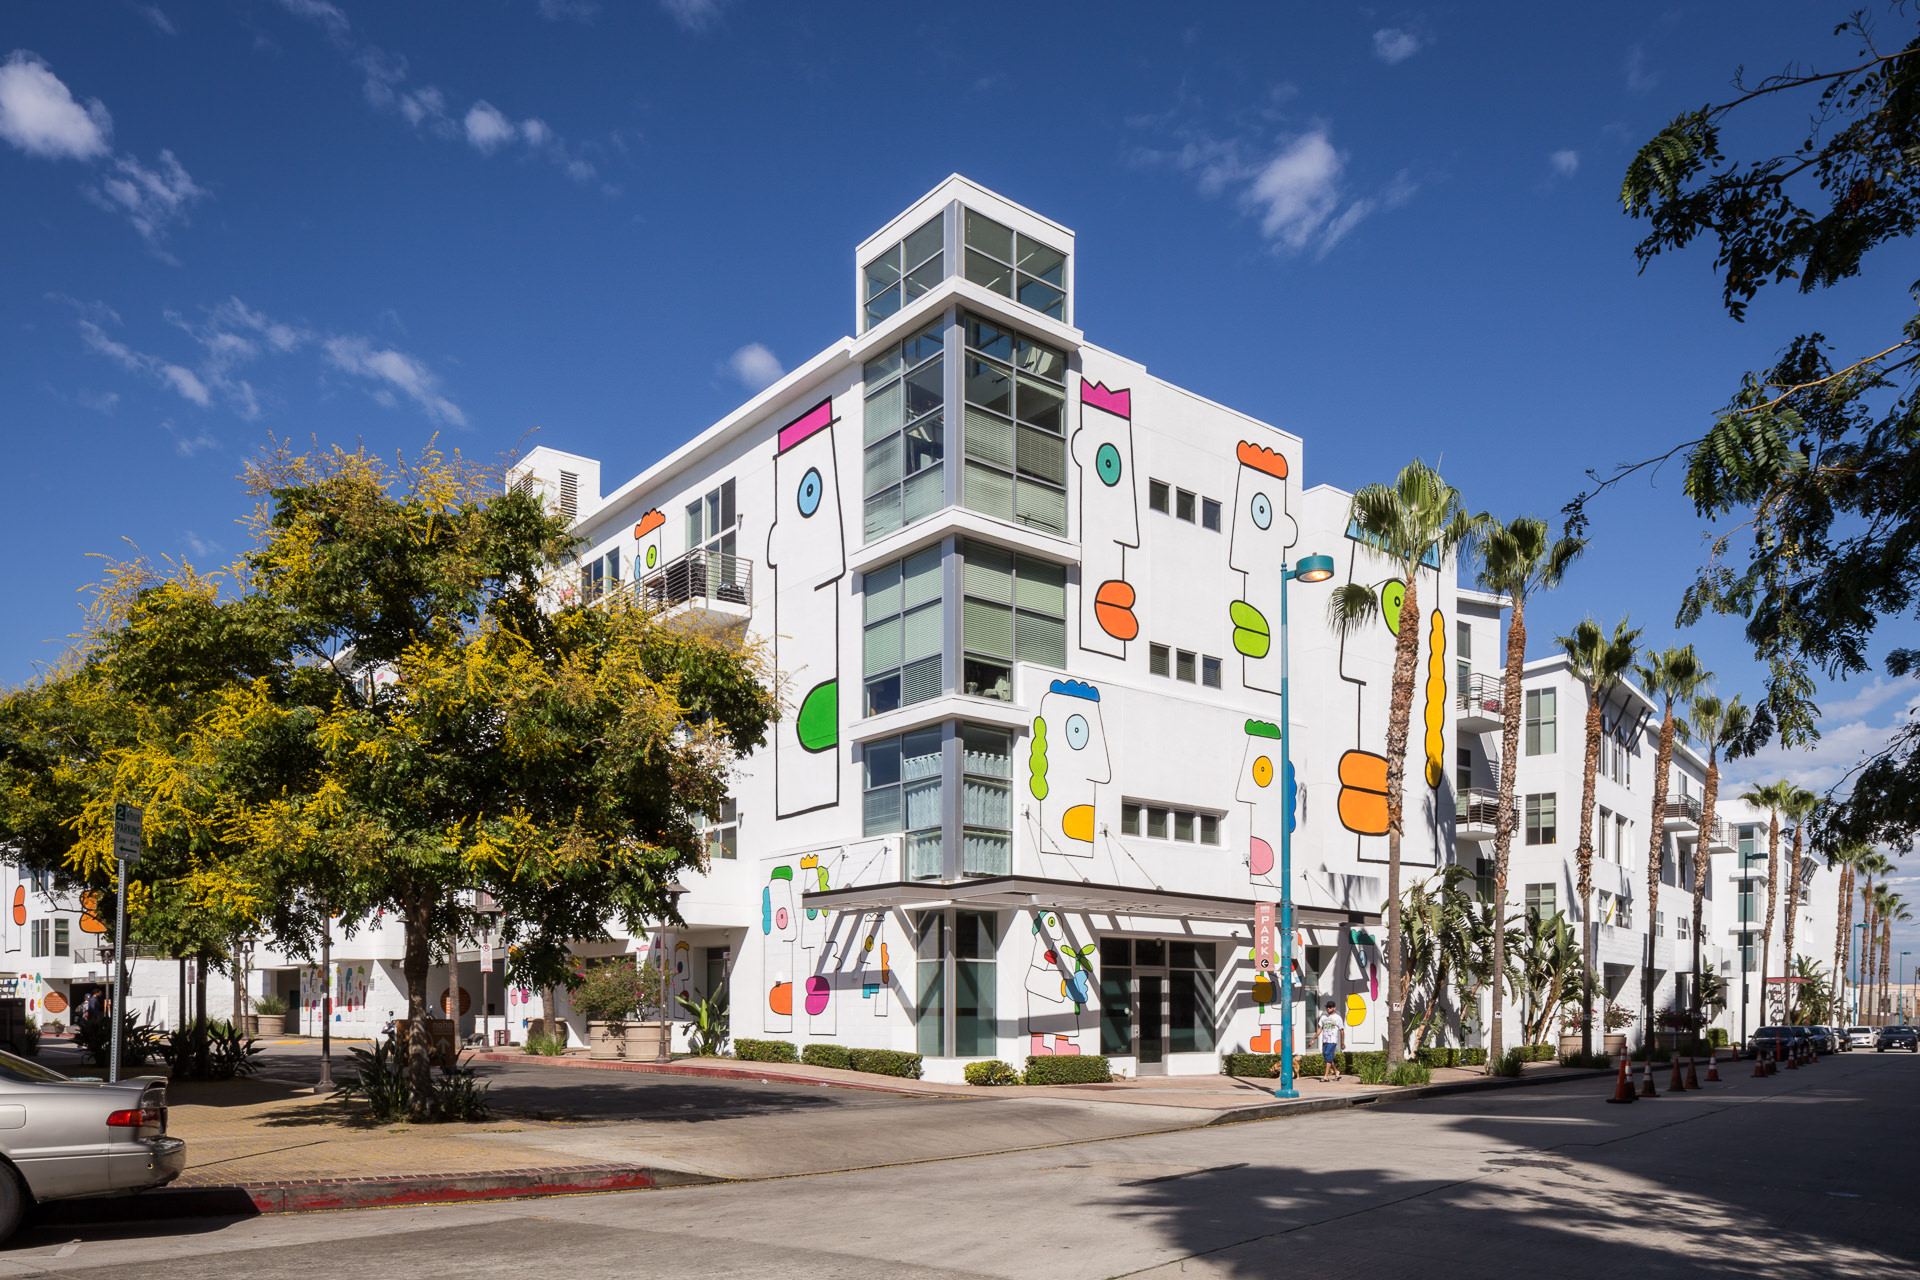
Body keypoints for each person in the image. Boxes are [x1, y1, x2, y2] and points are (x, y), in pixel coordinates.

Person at [1318, 1000, 1344, 1081]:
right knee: (1327, 1057)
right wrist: (1313, 1039)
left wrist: (1342, 1043)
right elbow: (1320, 1028)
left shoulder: (1338, 1018)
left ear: (1334, 1008)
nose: (1328, 1008)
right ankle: (1336, 1071)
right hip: (1325, 1040)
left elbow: (1342, 1030)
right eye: (1327, 1007)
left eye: (1330, 1007)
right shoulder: (1323, 1017)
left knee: (1327, 1055)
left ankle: (1326, 1076)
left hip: (1332, 1040)